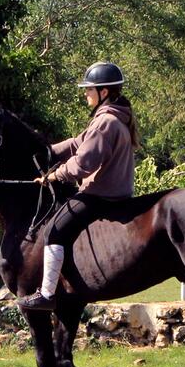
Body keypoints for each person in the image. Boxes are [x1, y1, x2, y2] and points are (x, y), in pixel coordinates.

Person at [17, 61, 140, 312]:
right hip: (115, 192)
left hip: (100, 195)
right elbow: (77, 143)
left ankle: (47, 294)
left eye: (89, 89)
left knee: (53, 231)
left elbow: (83, 164)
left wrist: (54, 176)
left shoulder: (105, 122)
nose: (85, 93)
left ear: (103, 92)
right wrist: (48, 151)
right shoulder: (113, 117)